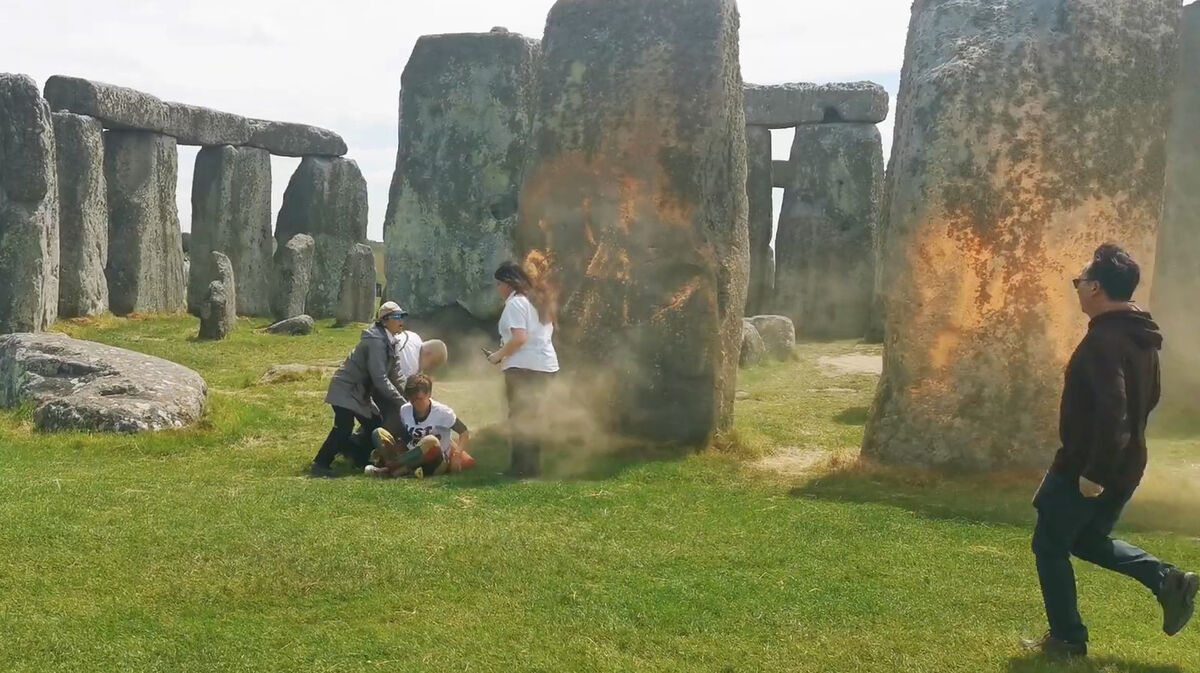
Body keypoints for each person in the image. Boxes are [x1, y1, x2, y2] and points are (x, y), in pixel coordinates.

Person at [1024, 244, 1198, 658]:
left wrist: (1094, 472)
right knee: (1086, 539)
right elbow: (1149, 399)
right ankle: (1167, 579)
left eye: (1079, 281)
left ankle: (1067, 640)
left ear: (1096, 287)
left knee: (1050, 546)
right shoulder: (1142, 336)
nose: (1078, 288)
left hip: (1088, 465)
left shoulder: (1104, 340)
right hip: (1129, 462)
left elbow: (1114, 408)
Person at [309, 302, 410, 478]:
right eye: (397, 317)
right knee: (344, 427)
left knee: (374, 424)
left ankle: (358, 458)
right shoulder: (377, 342)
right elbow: (379, 378)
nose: (401, 320)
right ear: (385, 321)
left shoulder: (390, 341)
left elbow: (397, 375)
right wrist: (401, 402)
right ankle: (321, 463)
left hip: (360, 393)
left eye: (402, 316)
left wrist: (409, 397)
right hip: (346, 389)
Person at [487, 261, 559, 478]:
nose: (498, 289)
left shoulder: (516, 304)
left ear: (508, 284)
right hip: (544, 365)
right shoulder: (538, 301)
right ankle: (532, 468)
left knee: (519, 418)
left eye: (498, 284)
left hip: (524, 367)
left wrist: (497, 356)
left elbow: (519, 338)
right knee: (532, 418)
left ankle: (519, 469)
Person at [365, 374, 472, 478]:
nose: (416, 403)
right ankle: (398, 469)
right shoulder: (405, 410)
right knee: (378, 433)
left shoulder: (443, 412)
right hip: (411, 454)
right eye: (412, 399)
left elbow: (464, 432)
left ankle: (389, 468)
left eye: (419, 398)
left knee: (431, 441)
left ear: (429, 394)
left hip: (436, 460)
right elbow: (407, 436)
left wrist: (457, 455)